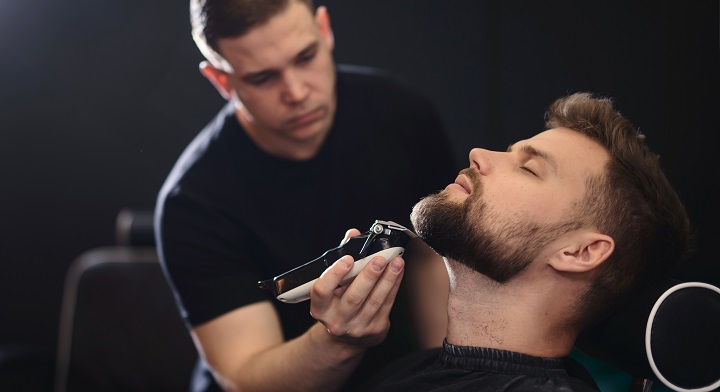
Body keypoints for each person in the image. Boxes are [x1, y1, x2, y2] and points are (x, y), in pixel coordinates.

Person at [154, 0, 457, 391]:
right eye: (262, 78)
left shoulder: (403, 114)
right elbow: (247, 378)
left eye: (306, 56)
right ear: (221, 81)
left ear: (324, 29)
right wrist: (340, 337)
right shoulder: (192, 202)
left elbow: (434, 258)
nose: (296, 92)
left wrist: (449, 375)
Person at [360, 92, 693, 391]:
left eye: (529, 168)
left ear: (580, 251)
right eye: (509, 153)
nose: (477, 154)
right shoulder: (409, 370)